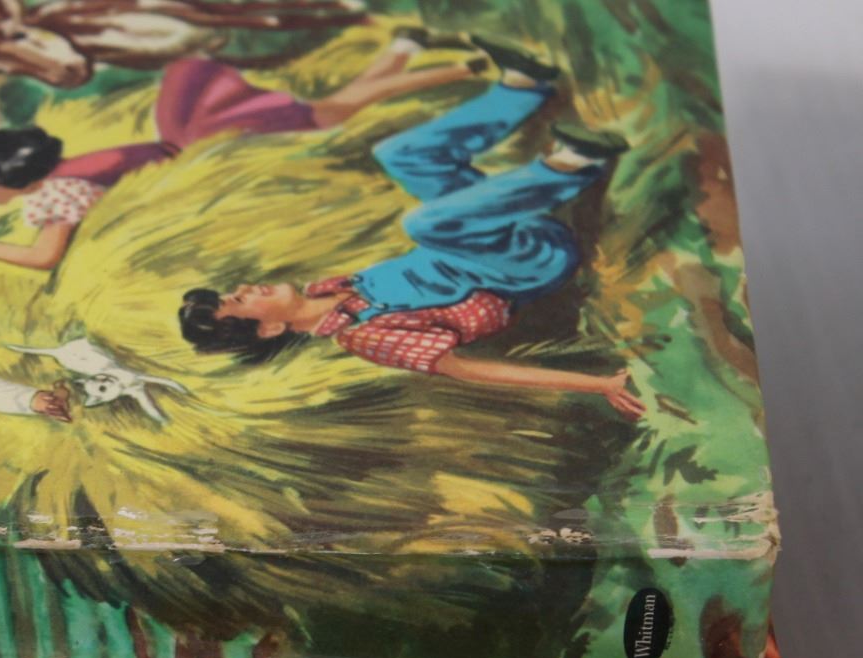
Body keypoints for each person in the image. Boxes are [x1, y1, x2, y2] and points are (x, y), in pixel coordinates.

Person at [179, 38, 645, 418]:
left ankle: (524, 87)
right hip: (527, 267)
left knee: (401, 156)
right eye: (238, 301)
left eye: (232, 291)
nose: (245, 288)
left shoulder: (333, 289)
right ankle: (574, 163)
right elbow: (468, 371)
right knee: (425, 224)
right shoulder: (364, 337)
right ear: (269, 328)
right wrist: (598, 385)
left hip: (496, 236)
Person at [0, 31, 485, 273]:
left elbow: (44, 258)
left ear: (1, 173)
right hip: (195, 134)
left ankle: (461, 65)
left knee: (331, 111)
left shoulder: (59, 192)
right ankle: (408, 48)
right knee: (331, 109)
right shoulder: (65, 173)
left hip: (212, 148)